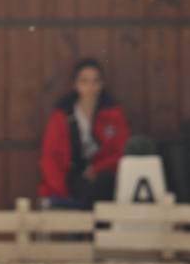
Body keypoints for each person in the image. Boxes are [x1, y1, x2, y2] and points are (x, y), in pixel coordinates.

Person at [38, 58, 129, 209]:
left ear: (101, 85)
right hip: (71, 176)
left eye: (95, 81)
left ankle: (87, 222)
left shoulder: (114, 114)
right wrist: (59, 190)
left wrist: (96, 169)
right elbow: (50, 156)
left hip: (101, 177)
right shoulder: (62, 115)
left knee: (105, 183)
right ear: (75, 84)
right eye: (84, 81)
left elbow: (121, 151)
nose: (90, 87)